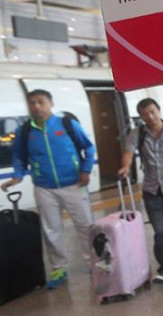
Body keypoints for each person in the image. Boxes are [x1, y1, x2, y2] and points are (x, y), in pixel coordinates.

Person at [1, 89, 95, 289]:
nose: (36, 106)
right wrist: (17, 176)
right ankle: (59, 269)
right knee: (51, 230)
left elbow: (88, 147)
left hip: (74, 184)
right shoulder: (25, 131)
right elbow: (19, 156)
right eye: (32, 103)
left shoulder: (67, 124)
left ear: (51, 104)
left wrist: (86, 170)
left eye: (40, 102)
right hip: (44, 187)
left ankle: (93, 263)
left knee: (86, 225)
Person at [119, 98, 163, 283]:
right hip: (152, 191)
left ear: (159, 110)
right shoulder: (138, 133)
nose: (149, 117)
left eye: (152, 112)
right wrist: (125, 167)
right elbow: (128, 152)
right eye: (144, 114)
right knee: (160, 232)